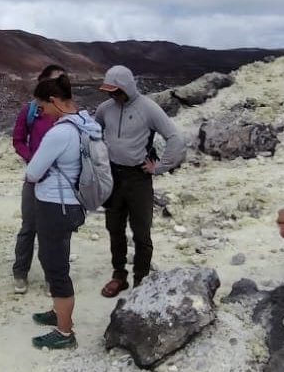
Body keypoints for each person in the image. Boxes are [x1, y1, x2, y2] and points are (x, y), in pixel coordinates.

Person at [25, 74, 101, 350]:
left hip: (55, 206)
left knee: (55, 268)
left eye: (42, 105)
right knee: (59, 258)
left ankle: (65, 333)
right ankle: (58, 311)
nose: (40, 111)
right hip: (74, 205)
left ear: (55, 101)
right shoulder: (86, 123)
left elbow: (33, 172)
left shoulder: (60, 132)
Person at [95, 66, 185, 297]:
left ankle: (140, 280)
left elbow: (175, 138)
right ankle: (119, 275)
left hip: (139, 178)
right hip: (113, 177)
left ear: (127, 87)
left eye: (116, 91)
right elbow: (93, 133)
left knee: (141, 232)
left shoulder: (148, 108)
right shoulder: (105, 109)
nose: (112, 96)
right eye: (109, 92)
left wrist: (160, 167)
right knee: (114, 228)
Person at [11, 64, 66, 294]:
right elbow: (18, 139)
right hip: (35, 179)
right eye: (54, 81)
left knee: (56, 230)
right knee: (29, 227)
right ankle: (20, 273)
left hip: (60, 180)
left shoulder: (67, 111)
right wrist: (33, 160)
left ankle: (54, 277)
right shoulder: (31, 111)